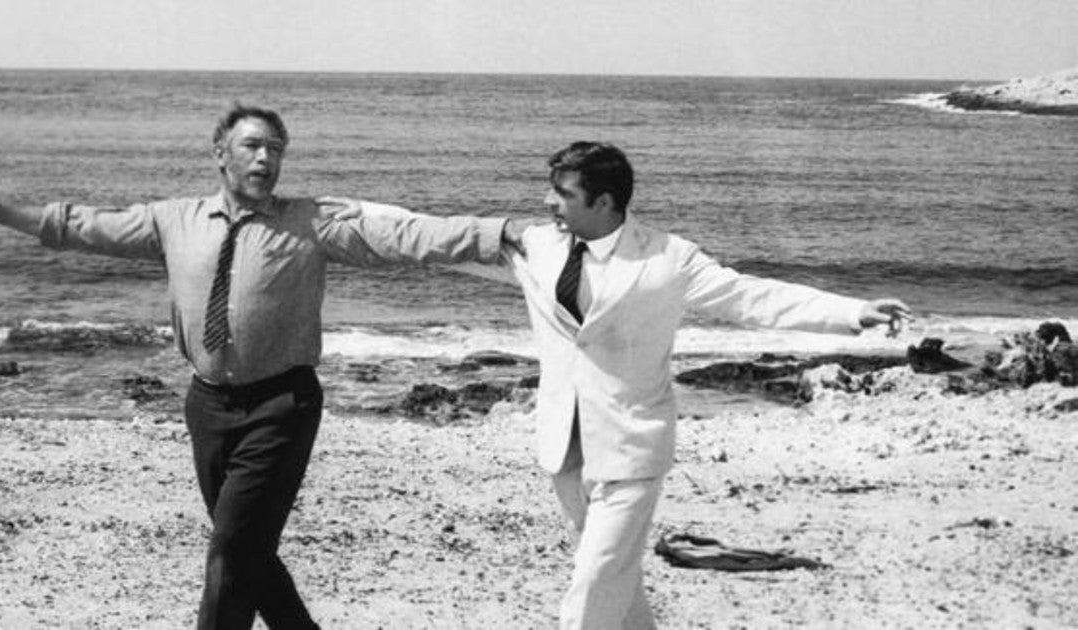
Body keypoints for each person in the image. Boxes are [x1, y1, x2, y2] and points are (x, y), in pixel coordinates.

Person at [0, 103, 513, 630]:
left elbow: (407, 236)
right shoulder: (174, 220)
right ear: (220, 153)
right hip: (208, 405)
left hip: (281, 406)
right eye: (253, 146)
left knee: (231, 555)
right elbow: (82, 226)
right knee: (248, 552)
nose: (266, 159)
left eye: (276, 149)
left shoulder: (311, 222)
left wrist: (502, 234)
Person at [345, 141, 910, 629]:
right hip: (564, 444)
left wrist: (852, 311)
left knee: (593, 583)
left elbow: (751, 296)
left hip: (632, 445)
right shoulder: (539, 245)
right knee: (616, 577)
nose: (547, 202)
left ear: (604, 202)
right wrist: (361, 213)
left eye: (562, 193)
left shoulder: (668, 258)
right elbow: (443, 239)